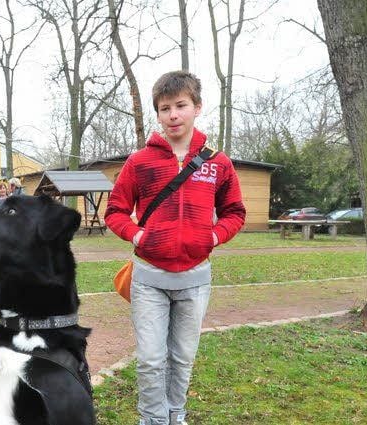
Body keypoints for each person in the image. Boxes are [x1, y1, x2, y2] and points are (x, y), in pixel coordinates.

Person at [104, 70, 245, 425]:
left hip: (195, 279)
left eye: (180, 105)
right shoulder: (139, 162)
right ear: (158, 114)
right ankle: (153, 420)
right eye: (165, 108)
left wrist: (213, 237)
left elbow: (235, 212)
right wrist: (138, 236)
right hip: (149, 278)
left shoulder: (218, 163)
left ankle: (175, 416)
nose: (173, 115)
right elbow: (115, 211)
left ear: (197, 107)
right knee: (151, 360)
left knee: (182, 358)